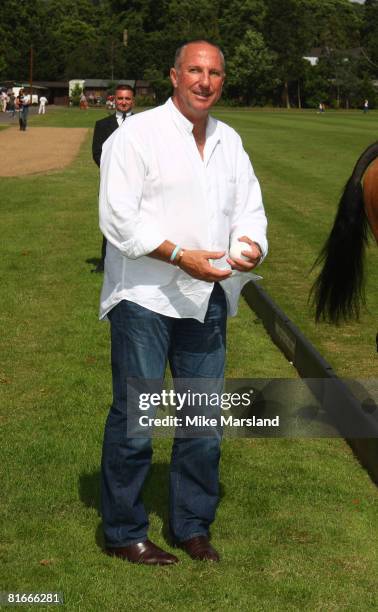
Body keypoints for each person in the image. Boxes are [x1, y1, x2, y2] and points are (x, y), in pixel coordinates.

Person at [99, 40, 268, 566]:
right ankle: (124, 531)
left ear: (222, 81)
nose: (204, 81)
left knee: (202, 423)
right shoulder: (138, 136)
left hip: (207, 297)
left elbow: (249, 209)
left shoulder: (229, 140)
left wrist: (251, 247)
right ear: (174, 76)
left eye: (214, 72)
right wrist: (179, 256)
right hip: (144, 299)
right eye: (194, 70)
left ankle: (193, 526)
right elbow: (118, 218)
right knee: (137, 418)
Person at [92, 84, 135, 272]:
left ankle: (136, 262)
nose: (123, 102)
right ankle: (105, 262)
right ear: (114, 100)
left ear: (133, 100)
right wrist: (114, 171)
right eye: (120, 98)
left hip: (136, 183)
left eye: (127, 98)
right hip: (111, 183)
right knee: (109, 222)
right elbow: (97, 153)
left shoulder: (143, 123)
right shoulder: (102, 125)